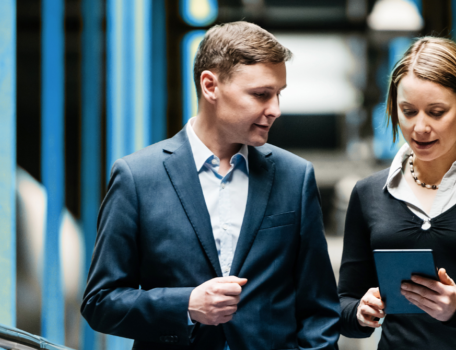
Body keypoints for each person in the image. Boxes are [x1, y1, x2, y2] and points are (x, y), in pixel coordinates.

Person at [81, 21, 340, 350]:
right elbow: (100, 302)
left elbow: (319, 310)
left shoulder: (295, 176)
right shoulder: (137, 177)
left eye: (278, 94)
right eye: (261, 94)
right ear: (210, 86)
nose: (275, 110)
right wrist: (187, 305)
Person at [338, 36, 456, 349]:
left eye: (436, 112)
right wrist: (359, 312)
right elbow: (344, 302)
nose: (419, 128)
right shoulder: (369, 192)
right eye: (408, 111)